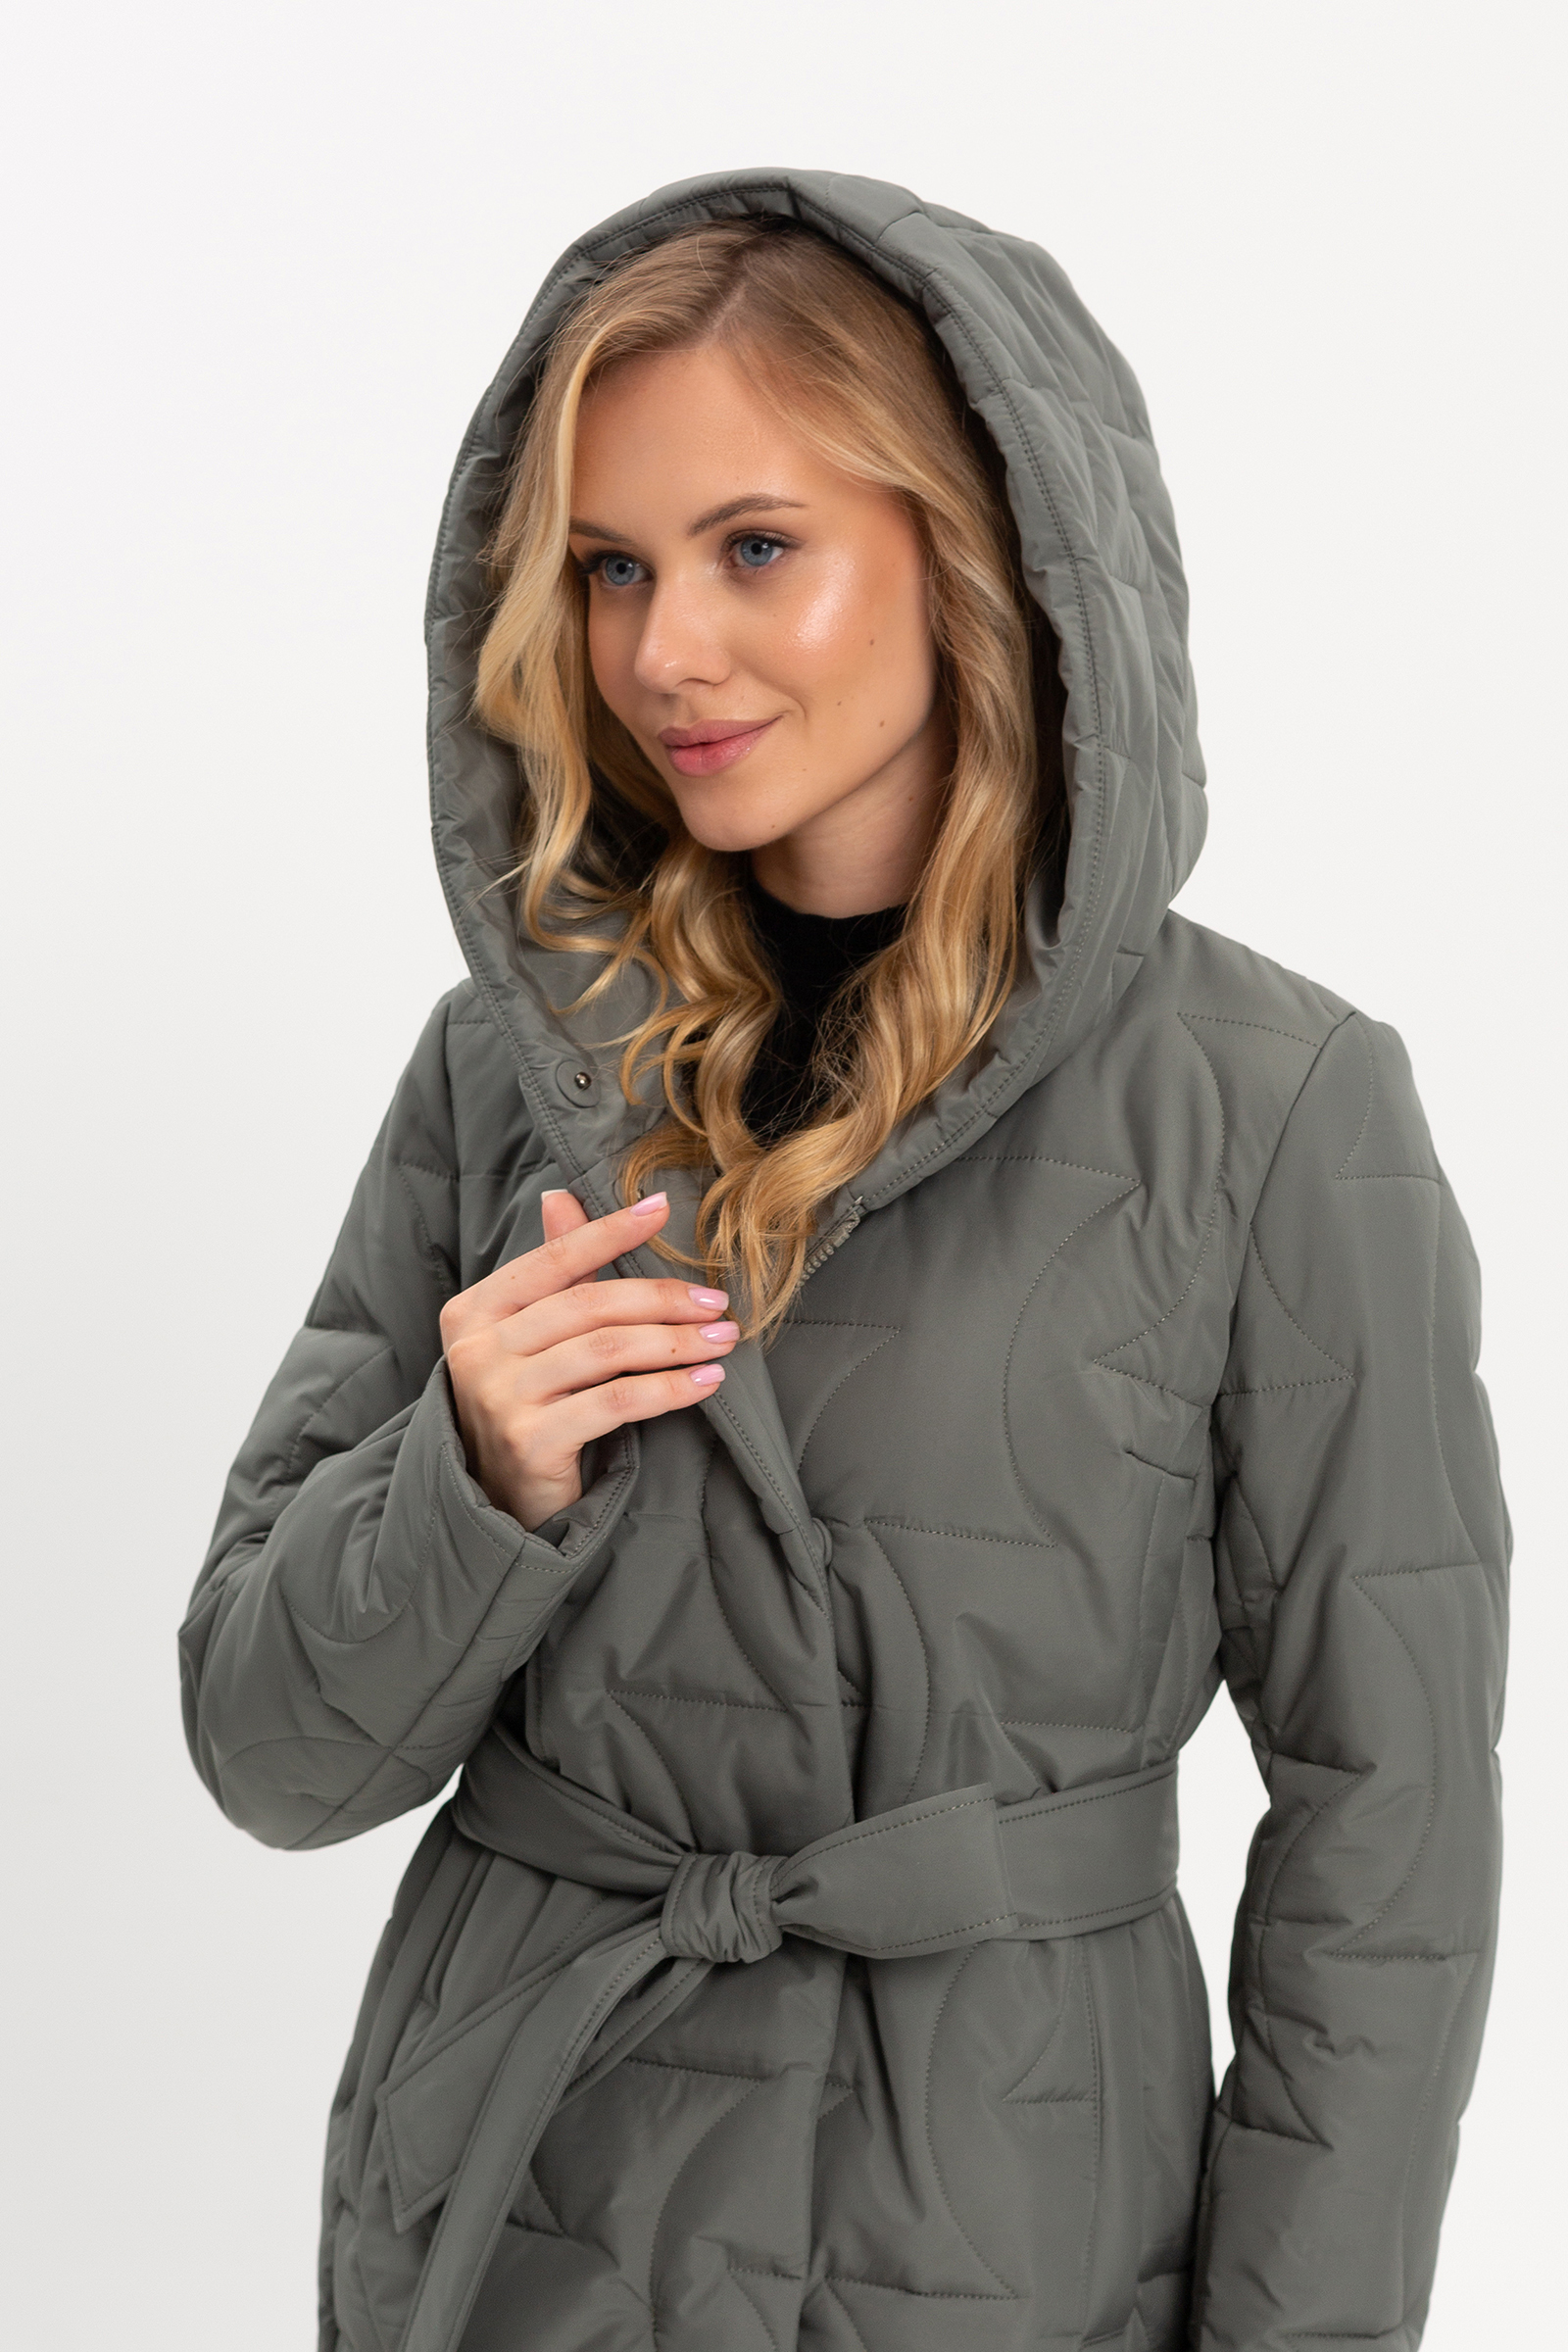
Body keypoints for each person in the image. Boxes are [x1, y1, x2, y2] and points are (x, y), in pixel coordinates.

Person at [179, 172, 1508, 2352]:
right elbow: (265, 1755)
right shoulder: (507, 1069)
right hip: (521, 2205)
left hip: (989, 2229)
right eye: (609, 567)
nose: (659, 654)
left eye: (753, 549)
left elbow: (1393, 1846)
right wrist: (471, 1477)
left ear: (974, 546)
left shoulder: (1273, 1105)